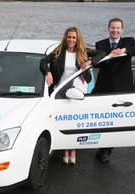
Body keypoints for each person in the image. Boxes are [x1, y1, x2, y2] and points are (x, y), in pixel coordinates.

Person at [40, 27, 105, 165]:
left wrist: (90, 62)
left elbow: (103, 53)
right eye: (69, 37)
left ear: (77, 39)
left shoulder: (83, 51)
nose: (71, 40)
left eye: (74, 37)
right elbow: (43, 61)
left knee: (75, 120)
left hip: (79, 88)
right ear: (66, 38)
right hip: (61, 88)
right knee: (64, 119)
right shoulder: (59, 51)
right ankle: (65, 150)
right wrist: (49, 73)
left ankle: (73, 149)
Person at [93, 18, 135, 163]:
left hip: (121, 89)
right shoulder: (100, 44)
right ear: (108, 29)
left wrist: (125, 50)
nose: (115, 30)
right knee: (102, 119)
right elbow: (97, 65)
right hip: (103, 88)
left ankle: (106, 151)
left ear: (122, 30)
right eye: (112, 28)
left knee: (115, 121)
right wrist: (106, 56)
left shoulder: (129, 42)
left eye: (118, 28)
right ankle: (101, 147)